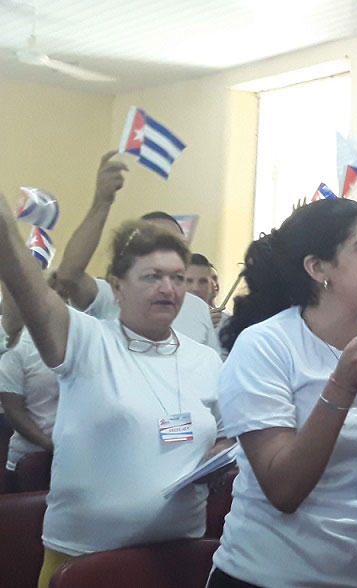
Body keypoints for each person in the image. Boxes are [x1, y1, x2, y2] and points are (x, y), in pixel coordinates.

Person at [208, 197, 357, 588]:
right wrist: (341, 387)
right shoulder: (266, 346)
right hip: (267, 578)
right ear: (318, 268)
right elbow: (283, 489)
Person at [0, 191, 226, 588]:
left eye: (176, 277)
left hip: (176, 558)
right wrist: (6, 232)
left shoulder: (205, 361)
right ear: (117, 288)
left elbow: (228, 435)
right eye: (153, 277)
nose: (169, 289)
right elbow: (29, 290)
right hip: (84, 558)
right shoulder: (86, 341)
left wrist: (215, 459)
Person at [52, 151, 220, 353]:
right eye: (154, 246)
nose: (165, 254)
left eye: (175, 246)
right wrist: (102, 202)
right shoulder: (114, 294)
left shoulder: (198, 309)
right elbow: (69, 276)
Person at [0, 284, 58, 492]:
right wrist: (51, 444)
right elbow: (14, 410)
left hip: (77, 455)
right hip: (32, 455)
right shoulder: (17, 346)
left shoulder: (78, 340)